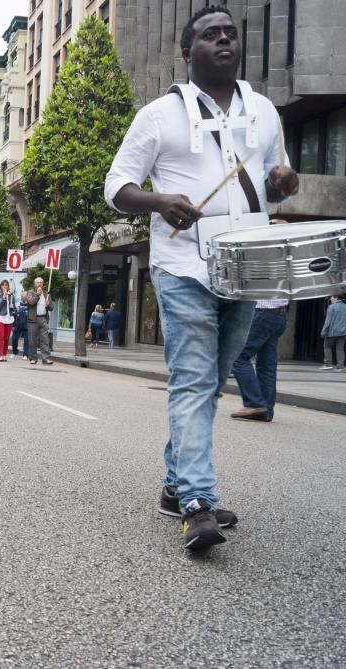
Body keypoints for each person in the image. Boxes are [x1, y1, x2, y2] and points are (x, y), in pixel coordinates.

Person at [105, 6, 298, 549]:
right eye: (211, 36)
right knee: (193, 380)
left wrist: (283, 183)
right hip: (183, 266)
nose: (224, 42)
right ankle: (197, 502)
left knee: (211, 383)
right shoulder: (158, 115)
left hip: (246, 266)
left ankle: (174, 485)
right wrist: (160, 200)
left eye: (231, 35)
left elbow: (270, 179)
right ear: (188, 53)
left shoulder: (263, 111)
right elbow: (116, 186)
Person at [230, 299, 288, 422]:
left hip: (262, 313)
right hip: (279, 314)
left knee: (238, 357)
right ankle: (265, 411)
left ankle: (254, 403)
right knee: (267, 365)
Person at [22, 276, 54, 365]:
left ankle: (46, 358)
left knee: (45, 340)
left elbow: (51, 308)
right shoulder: (30, 293)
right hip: (33, 320)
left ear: (43, 284)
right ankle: (33, 358)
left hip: (43, 318)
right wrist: (38, 294)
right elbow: (31, 302)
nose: (39, 284)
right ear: (34, 284)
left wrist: (49, 304)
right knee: (32, 341)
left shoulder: (46, 294)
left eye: (41, 282)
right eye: (37, 282)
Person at [320, 294, 346, 371]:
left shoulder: (332, 307)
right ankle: (340, 365)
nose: (330, 299)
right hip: (344, 332)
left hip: (332, 331)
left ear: (336, 297)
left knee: (327, 346)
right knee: (340, 348)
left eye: (331, 297)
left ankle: (328, 364)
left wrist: (323, 331)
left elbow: (328, 321)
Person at [0, 280, 17, 362]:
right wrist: (3, 297)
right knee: (1, 337)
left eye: (6, 285)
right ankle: (0, 355)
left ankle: (4, 354)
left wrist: (13, 307)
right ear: (0, 287)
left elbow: (13, 307)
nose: (5, 286)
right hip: (1, 317)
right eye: (3, 285)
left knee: (7, 338)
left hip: (9, 318)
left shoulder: (11, 295)